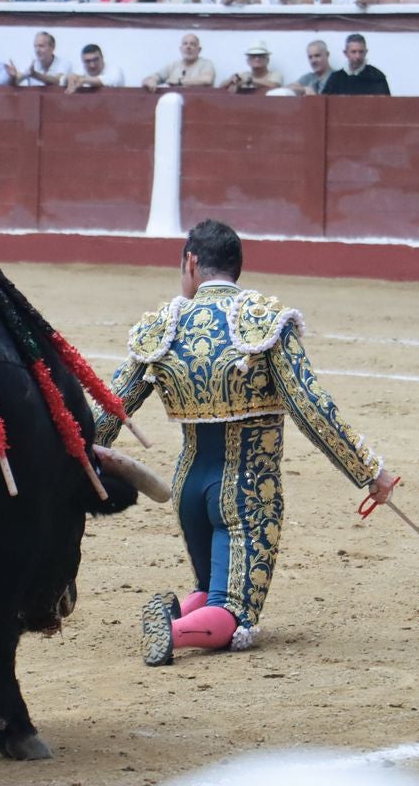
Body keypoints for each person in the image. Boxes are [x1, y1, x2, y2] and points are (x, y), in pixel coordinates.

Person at [94, 219, 397, 666]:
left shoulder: (163, 325)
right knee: (234, 614)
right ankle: (175, 630)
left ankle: (181, 612)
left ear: (192, 262)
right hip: (247, 489)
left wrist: (78, 450)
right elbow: (310, 407)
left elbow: (109, 408)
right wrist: (370, 471)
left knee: (211, 587)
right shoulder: (264, 321)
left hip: (188, 486)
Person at [141, 34, 215, 92]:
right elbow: (154, 77)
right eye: (185, 44)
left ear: (199, 50)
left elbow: (207, 80)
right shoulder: (173, 65)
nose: (188, 47)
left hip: (199, 103)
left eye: (192, 44)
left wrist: (179, 81)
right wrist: (150, 81)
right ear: (181, 49)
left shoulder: (206, 64)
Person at [322, 33, 390, 95]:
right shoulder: (336, 79)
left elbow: (385, 104)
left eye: (361, 52)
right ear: (345, 53)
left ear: (366, 52)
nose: (357, 56)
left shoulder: (376, 77)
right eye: (353, 52)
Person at [7, 31, 72, 87]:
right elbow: (15, 82)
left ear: (52, 47)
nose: (37, 50)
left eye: (41, 46)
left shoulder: (64, 63)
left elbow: (58, 81)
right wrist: (13, 77)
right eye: (35, 46)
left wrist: (35, 74)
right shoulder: (30, 63)